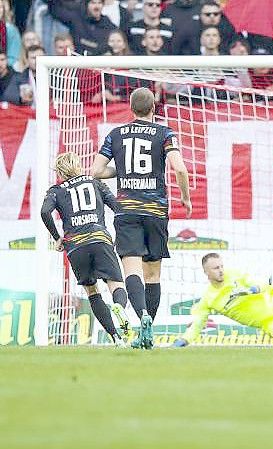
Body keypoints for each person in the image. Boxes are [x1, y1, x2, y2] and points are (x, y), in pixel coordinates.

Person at [91, 87, 192, 350]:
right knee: (153, 274)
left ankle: (142, 317)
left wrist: (122, 171)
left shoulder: (116, 134)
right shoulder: (165, 133)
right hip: (156, 211)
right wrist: (186, 198)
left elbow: (96, 171)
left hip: (127, 211)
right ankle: (148, 330)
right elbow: (179, 168)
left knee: (132, 271)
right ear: (154, 108)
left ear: (131, 109)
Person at [40, 152, 131, 347]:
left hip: (75, 247)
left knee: (91, 291)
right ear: (78, 165)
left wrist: (57, 238)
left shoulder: (55, 190)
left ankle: (116, 337)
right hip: (99, 238)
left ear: (60, 172)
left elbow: (44, 212)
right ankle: (119, 307)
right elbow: (117, 206)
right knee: (115, 284)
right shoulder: (95, 182)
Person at [46, 0, 117, 55]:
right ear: (87, 5)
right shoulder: (76, 19)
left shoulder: (109, 26)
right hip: (77, 64)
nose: (96, 6)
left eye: (99, 3)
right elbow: (55, 11)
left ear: (103, 5)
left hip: (98, 65)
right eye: (93, 3)